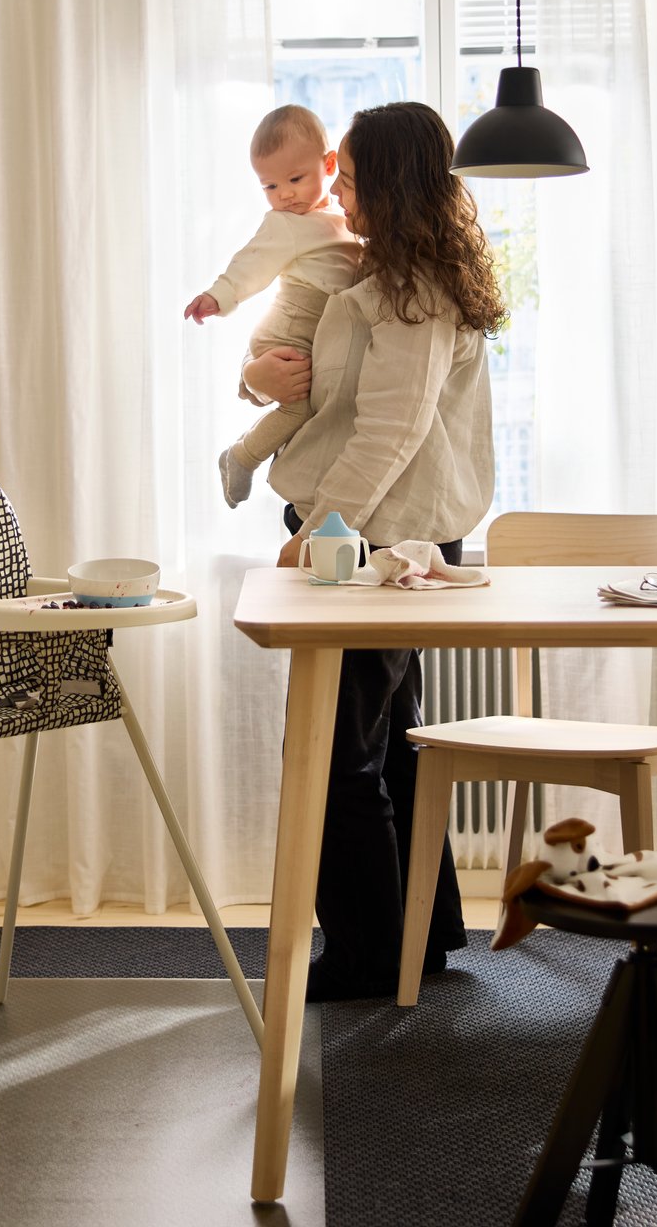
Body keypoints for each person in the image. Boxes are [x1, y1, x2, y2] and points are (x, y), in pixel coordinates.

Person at [242, 101, 507, 1001]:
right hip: (382, 529)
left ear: (390, 186)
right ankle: (418, 937)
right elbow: (313, 378)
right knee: (389, 737)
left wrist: (318, 535)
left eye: (348, 176)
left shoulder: (413, 292)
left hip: (369, 535)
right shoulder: (388, 272)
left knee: (338, 750)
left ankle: (364, 954)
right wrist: (259, 373)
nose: (331, 189)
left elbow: (390, 431)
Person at [184, 104, 360, 509]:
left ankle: (244, 454)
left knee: (303, 408)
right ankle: (241, 456)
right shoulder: (285, 224)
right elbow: (251, 263)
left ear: (329, 164)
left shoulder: (338, 218)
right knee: (297, 410)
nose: (284, 195)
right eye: (270, 186)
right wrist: (217, 296)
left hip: (305, 329)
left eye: (295, 179)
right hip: (287, 330)